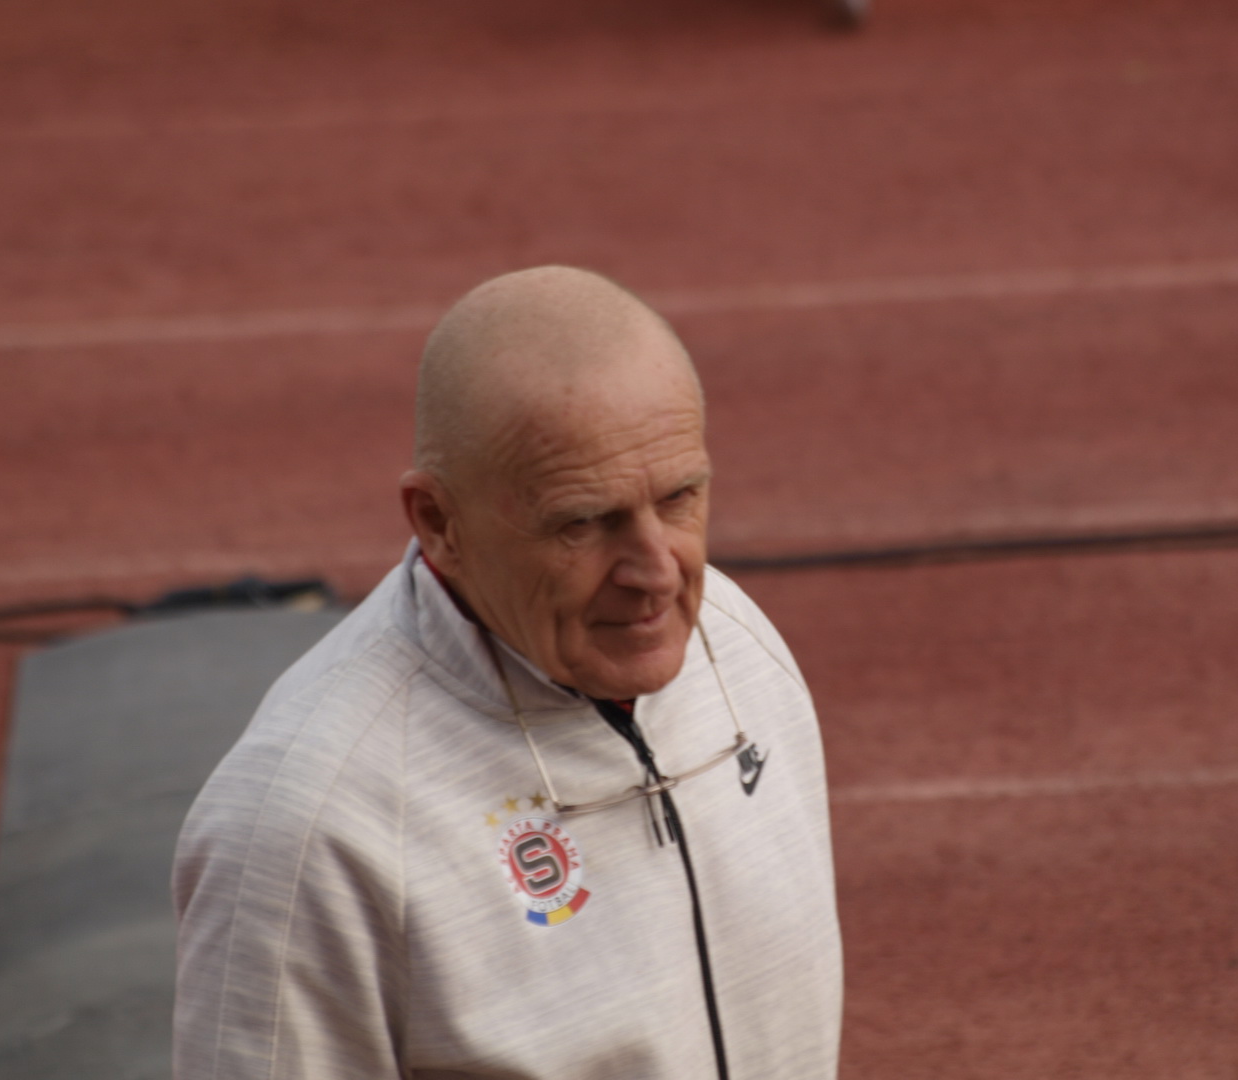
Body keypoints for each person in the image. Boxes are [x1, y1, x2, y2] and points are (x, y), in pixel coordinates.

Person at [172, 266, 843, 1079]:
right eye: (584, 521)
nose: (658, 574)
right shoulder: (308, 823)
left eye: (679, 498)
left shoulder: (736, 644)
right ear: (439, 522)